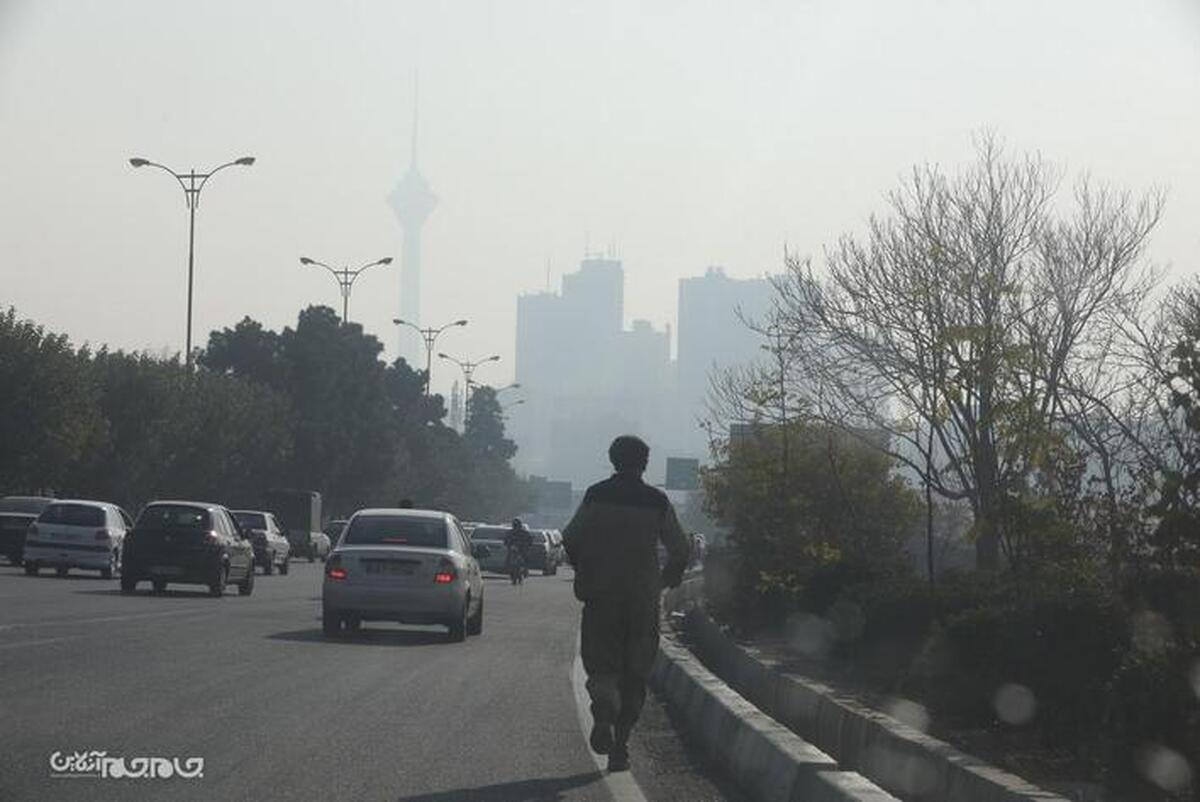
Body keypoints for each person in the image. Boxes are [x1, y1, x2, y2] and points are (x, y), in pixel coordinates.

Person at [563, 435, 690, 772]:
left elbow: (571, 537)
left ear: (613, 460)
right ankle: (620, 748)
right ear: (644, 463)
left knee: (603, 666)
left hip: (601, 597)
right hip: (642, 600)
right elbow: (680, 548)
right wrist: (667, 579)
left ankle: (604, 709)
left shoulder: (595, 495)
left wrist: (585, 568)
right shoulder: (657, 501)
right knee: (635, 672)